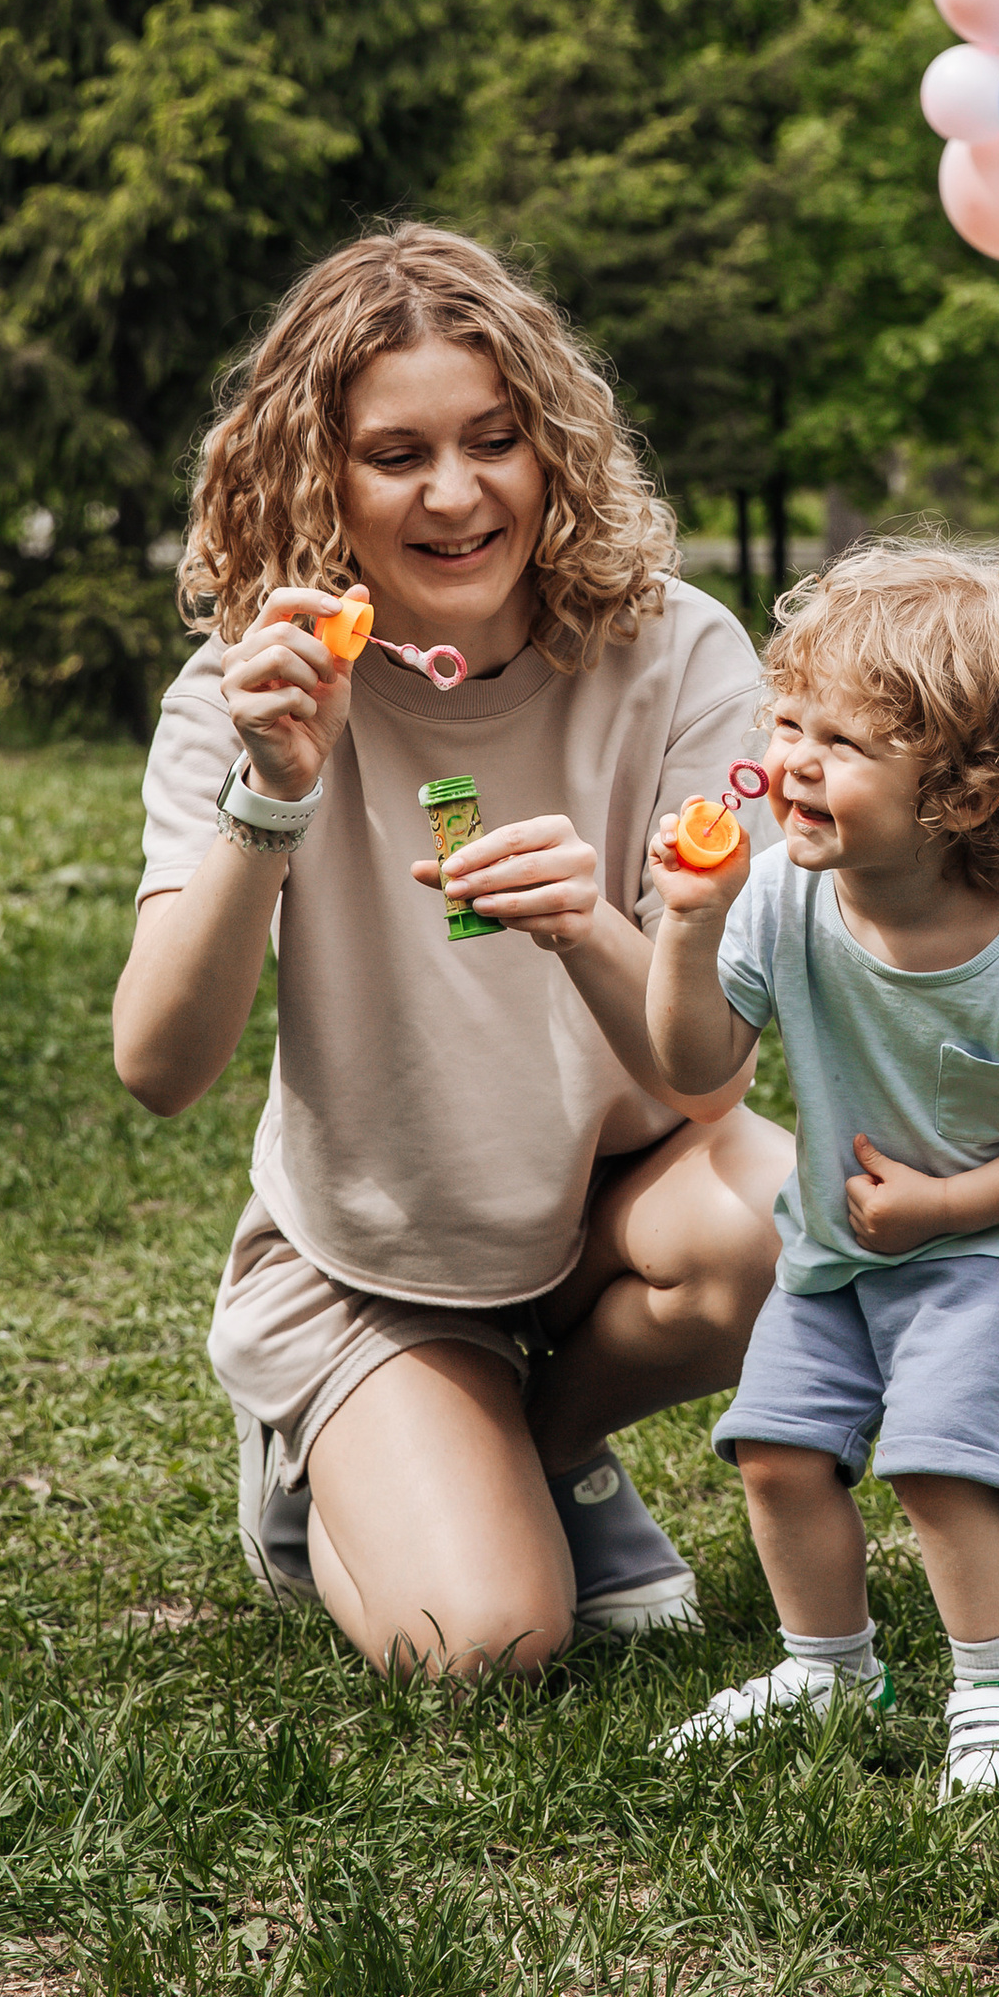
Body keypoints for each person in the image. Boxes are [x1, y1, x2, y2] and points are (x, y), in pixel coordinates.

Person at [113, 225, 790, 1679]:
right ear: (319, 483)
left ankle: (544, 1445)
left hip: (622, 1192)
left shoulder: (678, 657)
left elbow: (717, 1072)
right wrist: (274, 800)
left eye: (496, 440)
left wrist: (591, 927)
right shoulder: (243, 700)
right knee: (488, 1645)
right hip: (383, 1252)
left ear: (551, 450)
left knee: (774, 1240)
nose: (456, 493)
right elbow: (161, 1069)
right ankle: (325, 1462)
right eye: (396, 454)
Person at [643, 540, 999, 1800]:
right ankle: (827, 1666)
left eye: (845, 745)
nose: (792, 760)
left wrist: (946, 1206)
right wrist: (689, 931)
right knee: (775, 1450)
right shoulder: (773, 900)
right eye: (788, 721)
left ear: (962, 797)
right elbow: (697, 1071)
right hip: (838, 1250)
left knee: (939, 1465)